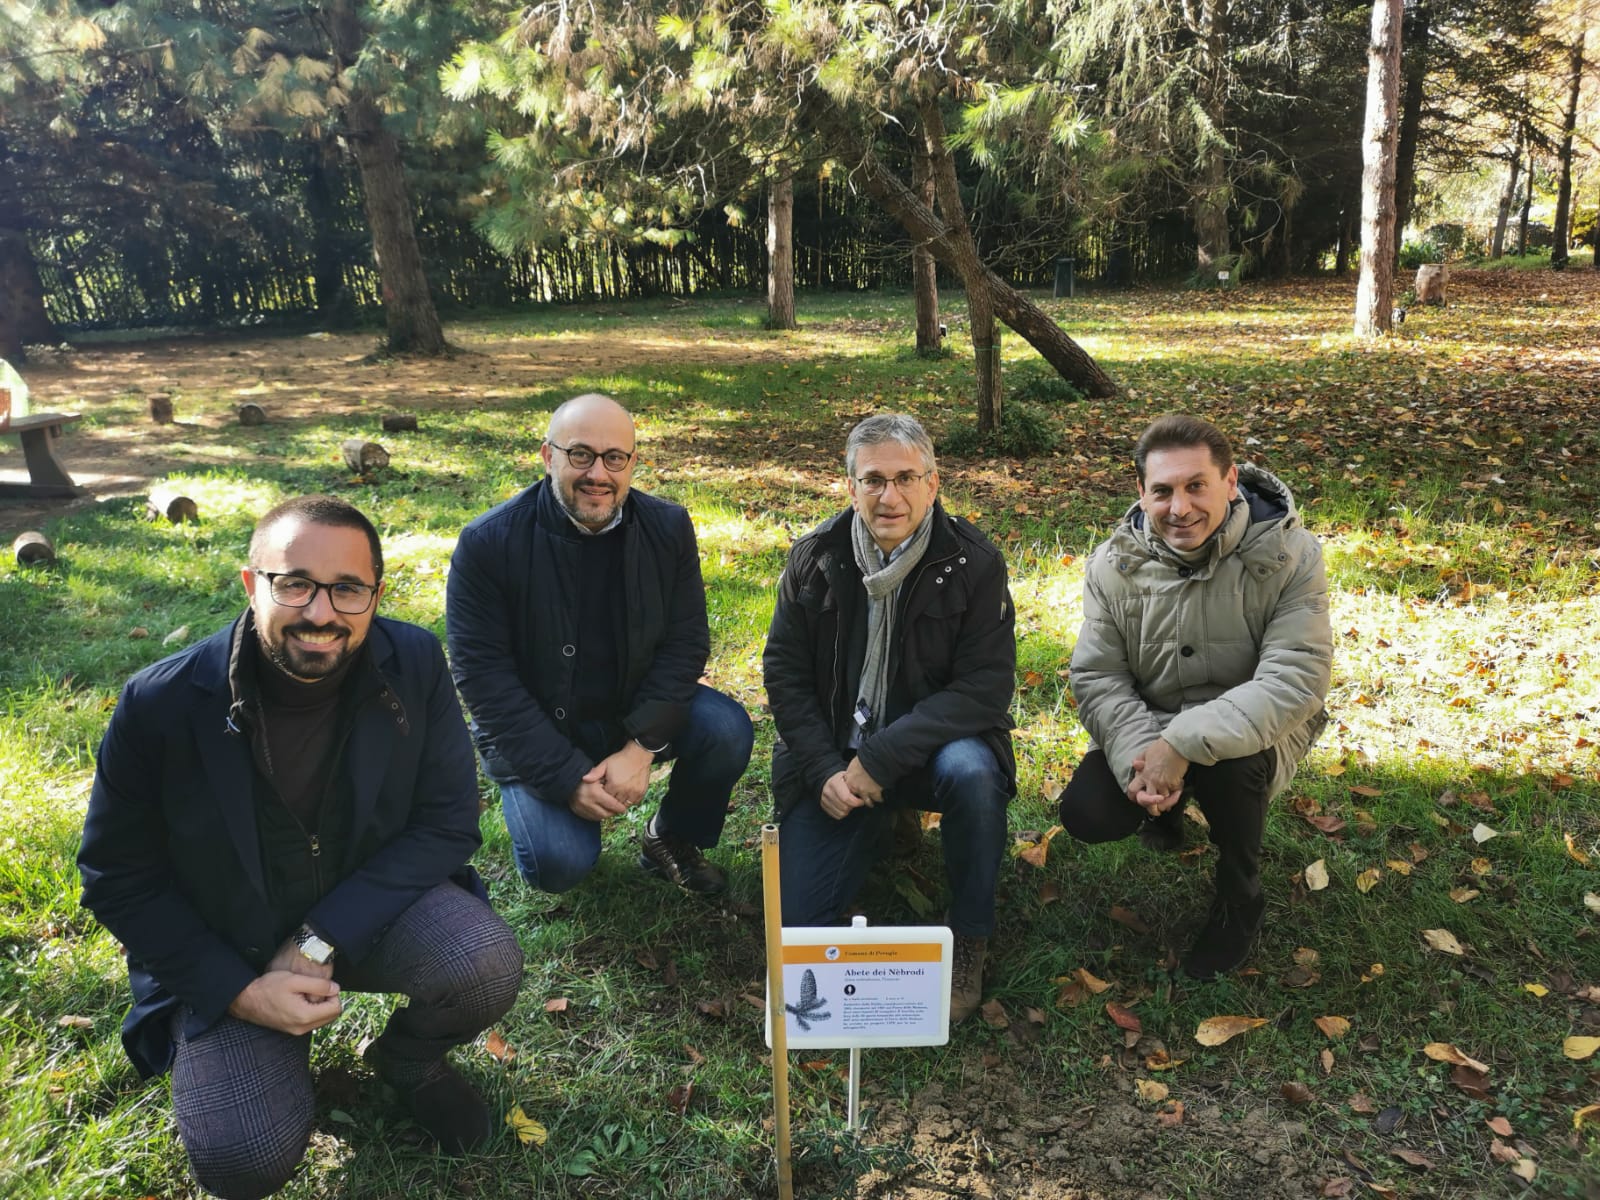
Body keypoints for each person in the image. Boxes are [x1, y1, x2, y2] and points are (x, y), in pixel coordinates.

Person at [78, 496, 525, 1200]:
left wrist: (318, 938)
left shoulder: (413, 661)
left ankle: (409, 1063)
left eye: (347, 589)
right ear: (252, 584)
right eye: (295, 584)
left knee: (484, 966)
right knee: (242, 1159)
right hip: (231, 951)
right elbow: (117, 876)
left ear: (376, 594)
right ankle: (268, 1060)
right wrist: (242, 994)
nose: (321, 612)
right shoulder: (158, 704)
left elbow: (446, 822)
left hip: (363, 916)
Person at [1059, 414, 1333, 980]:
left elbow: (1294, 677)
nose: (1179, 508)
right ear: (1141, 493)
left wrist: (1181, 744)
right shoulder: (1113, 565)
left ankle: (1240, 897)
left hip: (1256, 725)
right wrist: (1145, 756)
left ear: (1231, 482)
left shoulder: (1290, 554)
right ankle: (1168, 804)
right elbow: (1098, 676)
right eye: (1162, 491)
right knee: (1087, 813)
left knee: (1231, 769)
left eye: (1195, 486)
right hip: (1151, 720)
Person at [447, 393, 753, 897]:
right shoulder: (488, 543)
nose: (598, 474)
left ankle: (669, 836)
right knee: (558, 866)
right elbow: (484, 680)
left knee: (725, 728)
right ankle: (549, 812)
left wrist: (642, 746)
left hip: (627, 709)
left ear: (632, 463)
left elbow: (686, 641)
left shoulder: (668, 527)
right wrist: (567, 777)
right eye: (580, 454)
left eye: (615, 458)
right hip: (538, 727)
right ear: (548, 456)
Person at [763, 413, 1016, 1023]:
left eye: (906, 477)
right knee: (799, 931)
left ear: (933, 484)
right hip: (836, 761)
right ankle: (880, 822)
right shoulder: (815, 558)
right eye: (873, 479)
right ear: (850, 487)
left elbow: (984, 688)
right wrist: (826, 768)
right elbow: (785, 673)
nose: (890, 495)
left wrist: (877, 760)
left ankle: (970, 934)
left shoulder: (974, 563)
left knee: (974, 774)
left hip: (930, 752)